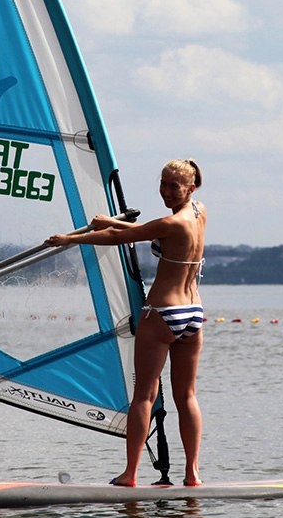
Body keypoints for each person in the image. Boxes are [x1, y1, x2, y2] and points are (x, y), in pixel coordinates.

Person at [46, 158, 206, 487]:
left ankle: (130, 474)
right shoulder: (200, 212)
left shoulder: (172, 223)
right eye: (162, 183)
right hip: (193, 315)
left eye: (174, 187)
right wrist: (112, 223)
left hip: (163, 313)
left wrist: (71, 238)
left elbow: (122, 236)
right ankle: (192, 474)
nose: (166, 191)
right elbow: (141, 230)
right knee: (186, 396)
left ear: (190, 188)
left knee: (144, 396)